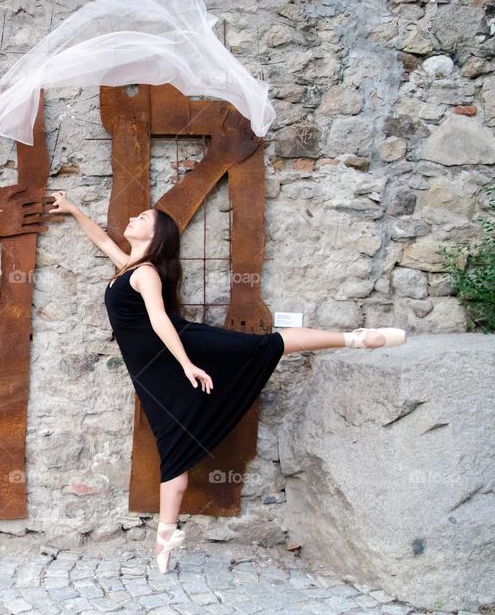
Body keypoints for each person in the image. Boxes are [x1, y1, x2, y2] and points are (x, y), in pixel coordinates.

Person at [48, 191, 406, 574]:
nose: (133, 218)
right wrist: (73, 210)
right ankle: (166, 534)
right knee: (173, 445)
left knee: (265, 346)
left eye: (143, 218)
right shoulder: (127, 267)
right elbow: (102, 240)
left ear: (154, 237)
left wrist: (187, 364)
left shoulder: (145, 273)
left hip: (181, 349)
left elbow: (160, 320)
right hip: (153, 372)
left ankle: (355, 338)